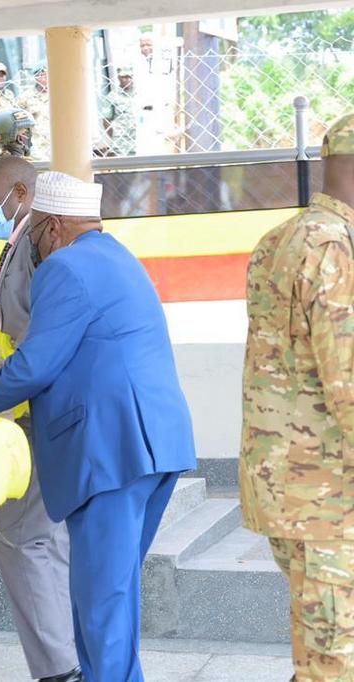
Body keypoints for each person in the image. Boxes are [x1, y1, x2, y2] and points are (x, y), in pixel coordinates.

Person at [0, 171, 196, 681]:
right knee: (108, 598)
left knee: (101, 607)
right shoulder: (117, 256)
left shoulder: (65, 267)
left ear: (50, 227)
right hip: (152, 444)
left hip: (110, 451)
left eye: (36, 238)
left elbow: (35, 366)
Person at [241, 112, 354, 682]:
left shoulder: (277, 239)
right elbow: (349, 383)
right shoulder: (336, 250)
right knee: (335, 661)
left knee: (319, 649)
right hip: (330, 497)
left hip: (286, 488)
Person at [0, 158, 81, 682]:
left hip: (39, 407)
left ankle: (58, 668)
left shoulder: (44, 245)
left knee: (22, 537)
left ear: (21, 191)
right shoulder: (19, 240)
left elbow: (42, 342)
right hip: (32, 405)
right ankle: (69, 657)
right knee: (45, 536)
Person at [102, 66, 137, 156]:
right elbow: (106, 120)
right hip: (122, 142)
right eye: (124, 77)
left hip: (140, 140)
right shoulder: (112, 96)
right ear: (118, 78)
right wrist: (115, 136)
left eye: (130, 77)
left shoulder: (139, 94)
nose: (127, 79)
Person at [17, 65, 50, 159]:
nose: (44, 78)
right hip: (38, 146)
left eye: (46, 75)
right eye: (40, 75)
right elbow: (17, 120)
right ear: (35, 78)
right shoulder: (25, 97)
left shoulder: (59, 94)